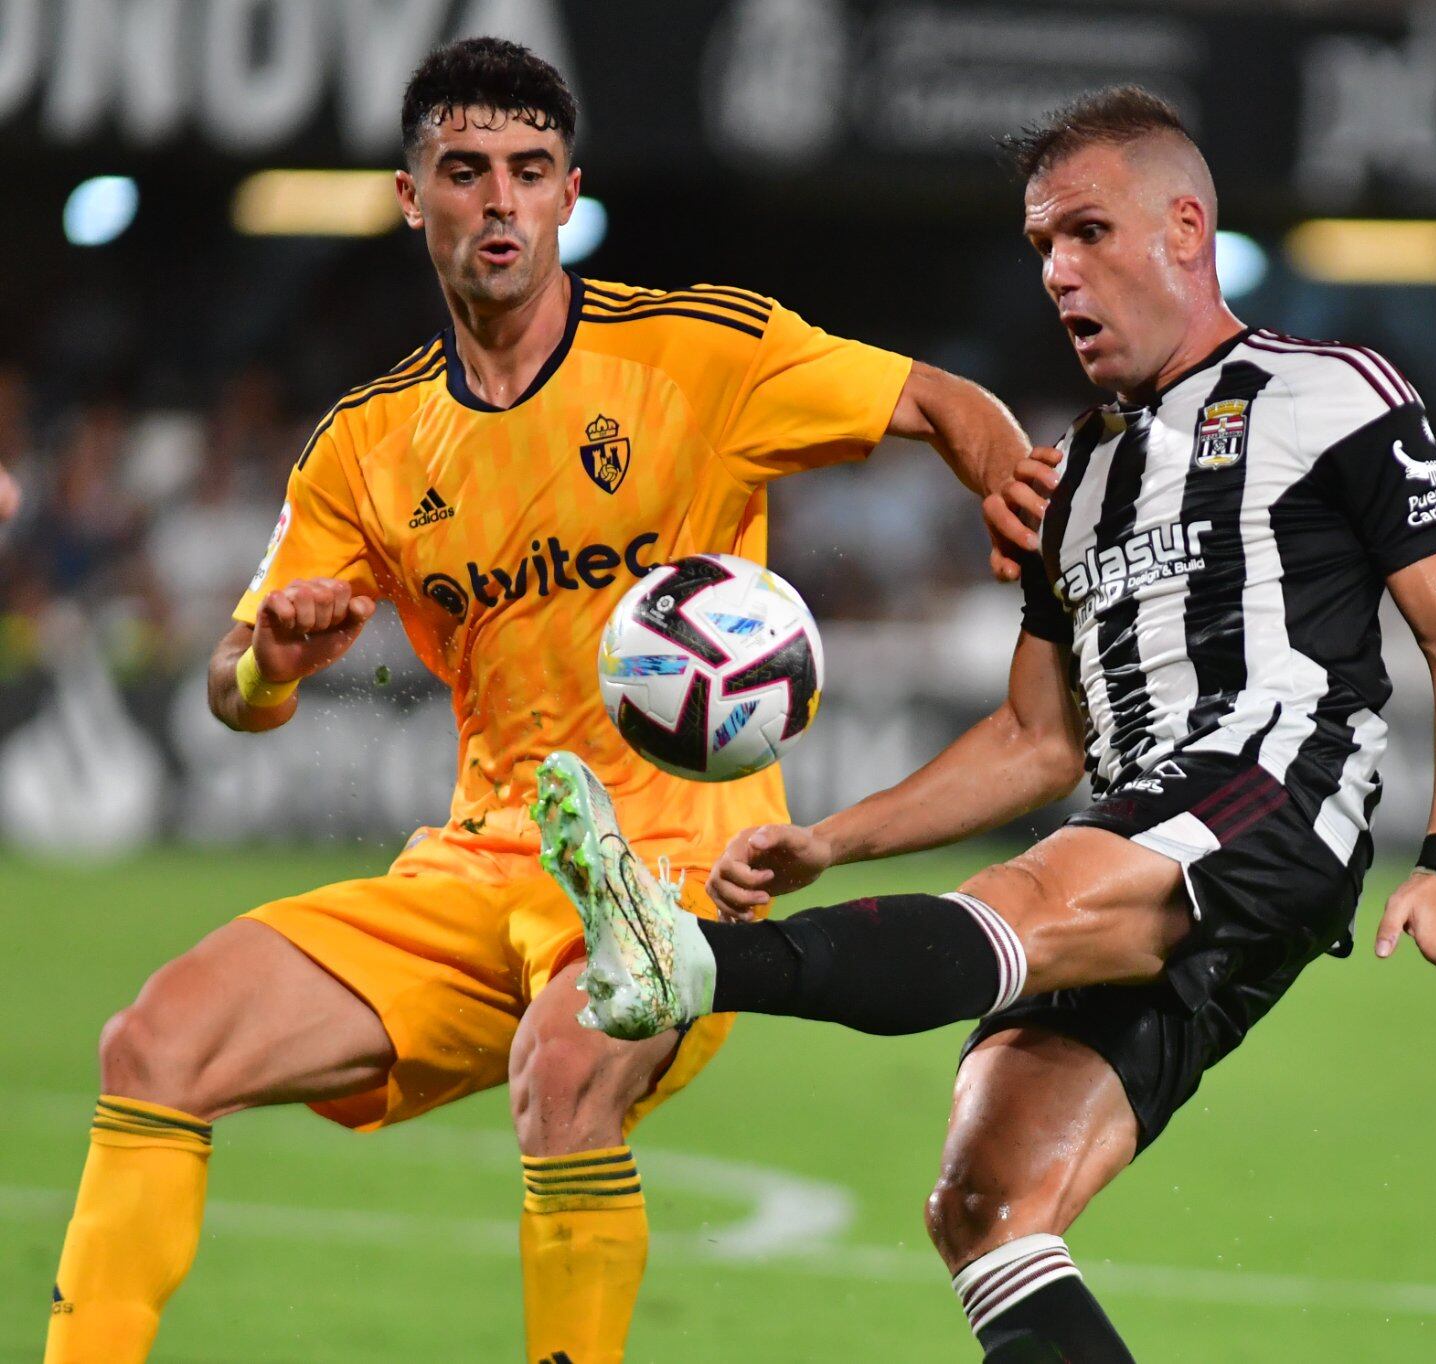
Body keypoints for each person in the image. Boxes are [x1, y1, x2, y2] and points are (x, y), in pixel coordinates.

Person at [44, 37, 1042, 1364]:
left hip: (674, 872)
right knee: (155, 1040)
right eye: (465, 172)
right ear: (414, 198)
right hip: (481, 866)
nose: (499, 201)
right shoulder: (368, 444)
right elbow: (234, 693)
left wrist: (1012, 494)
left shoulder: (701, 353)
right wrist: (273, 658)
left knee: (566, 1073)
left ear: (570, 192)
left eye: (528, 171)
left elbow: (938, 399)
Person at [539, 85, 1436, 1362]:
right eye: (1041, 245)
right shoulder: (1076, 477)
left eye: (1085, 233)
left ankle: (695, 963)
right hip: (1136, 829)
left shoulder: (1327, 391)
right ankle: (708, 962)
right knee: (985, 1202)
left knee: (1028, 895)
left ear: (1182, 229)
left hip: (1267, 785)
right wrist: (835, 839)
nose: (1056, 272)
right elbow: (1034, 740)